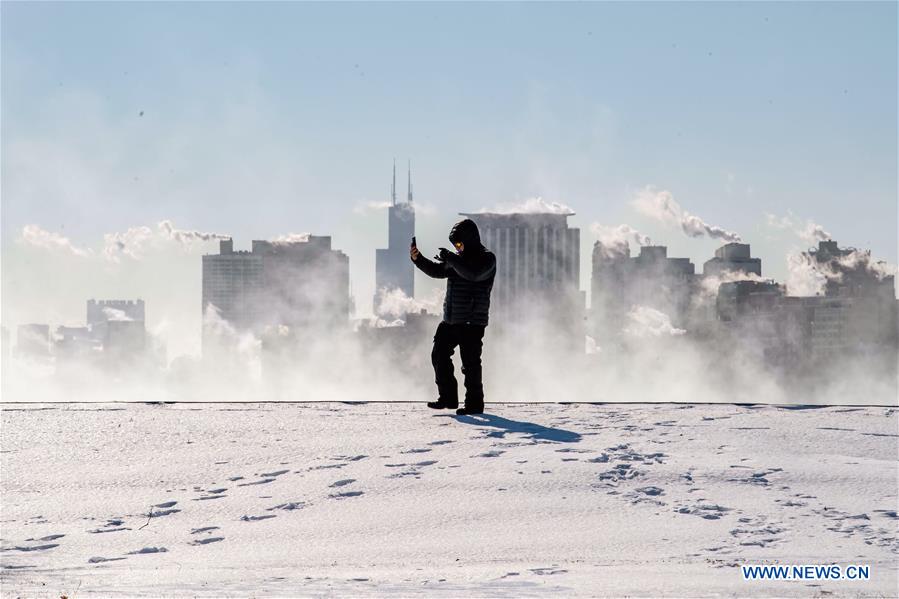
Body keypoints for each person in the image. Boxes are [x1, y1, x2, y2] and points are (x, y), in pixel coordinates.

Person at [410, 218, 496, 415]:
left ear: (470, 239)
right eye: (455, 245)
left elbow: (474, 274)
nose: (457, 247)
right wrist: (418, 259)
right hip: (450, 320)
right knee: (439, 355)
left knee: (470, 364)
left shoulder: (487, 258)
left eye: (459, 243)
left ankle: (474, 405)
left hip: (472, 322)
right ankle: (448, 398)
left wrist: (452, 258)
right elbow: (436, 271)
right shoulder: (458, 259)